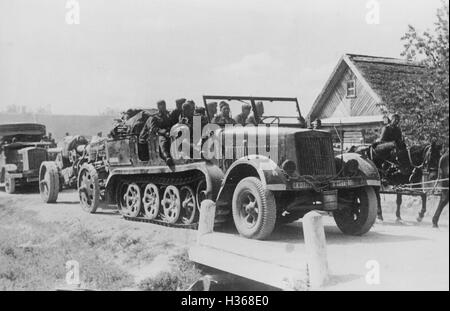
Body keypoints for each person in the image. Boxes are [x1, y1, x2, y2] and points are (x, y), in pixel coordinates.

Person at [140, 100, 173, 166]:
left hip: (159, 135)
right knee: (162, 138)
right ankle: (166, 157)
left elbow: (169, 125)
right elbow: (154, 129)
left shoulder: (167, 115)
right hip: (145, 141)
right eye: (162, 106)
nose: (164, 107)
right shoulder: (154, 117)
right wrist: (164, 132)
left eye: (164, 105)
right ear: (158, 107)